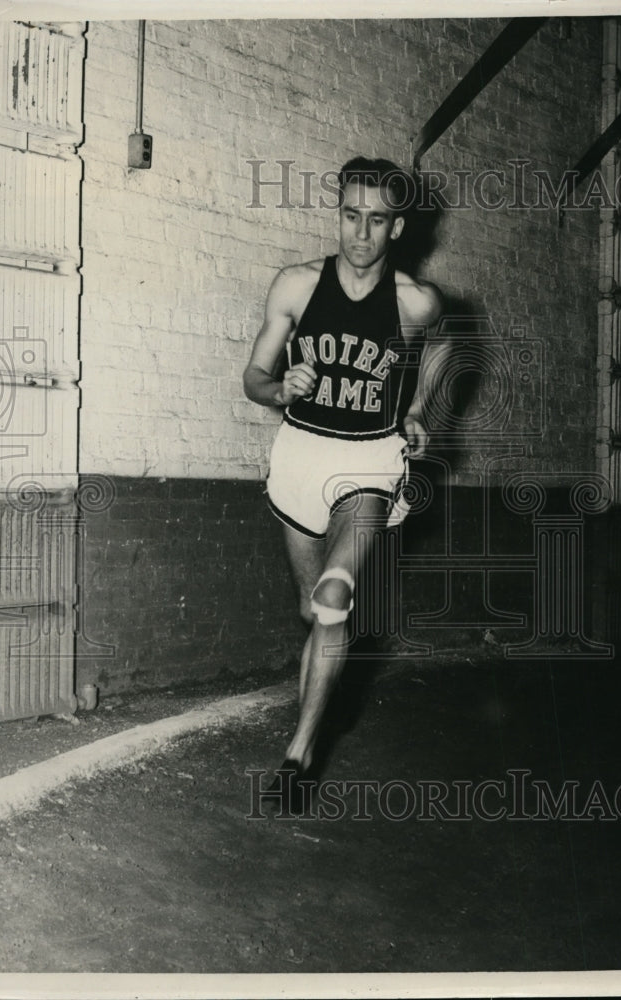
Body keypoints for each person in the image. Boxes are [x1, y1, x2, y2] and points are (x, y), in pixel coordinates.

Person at [243, 156, 444, 813]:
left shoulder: (416, 301)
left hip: (370, 464)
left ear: (397, 226)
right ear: (339, 214)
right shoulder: (296, 287)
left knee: (334, 600)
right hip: (299, 456)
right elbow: (254, 377)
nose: (360, 232)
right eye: (350, 215)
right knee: (311, 610)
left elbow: (440, 352)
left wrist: (416, 410)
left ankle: (298, 755)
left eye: (376, 219)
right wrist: (280, 388)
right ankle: (324, 684)